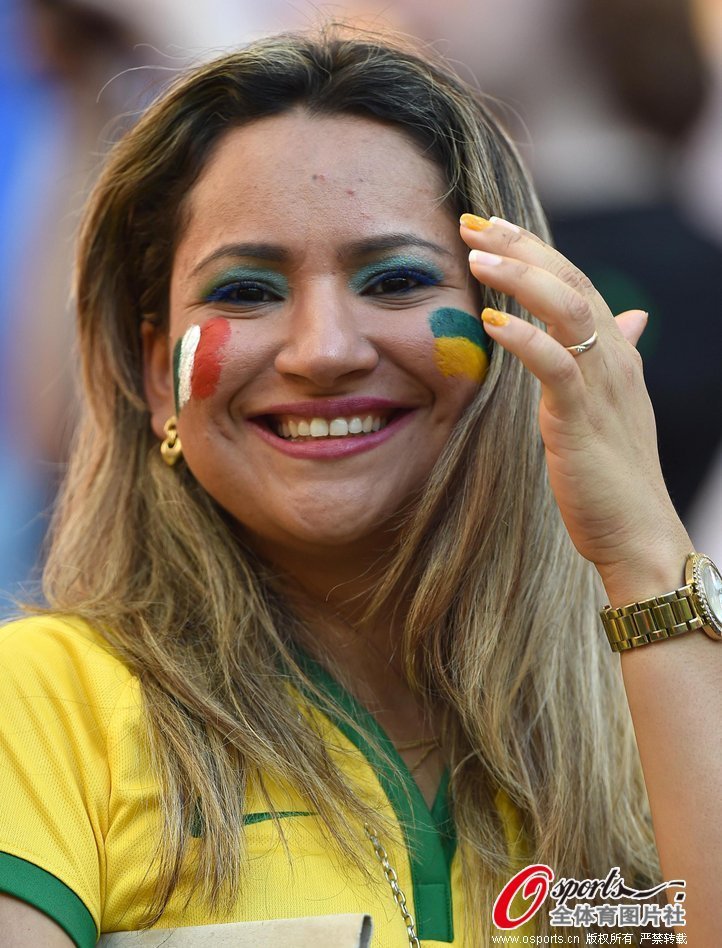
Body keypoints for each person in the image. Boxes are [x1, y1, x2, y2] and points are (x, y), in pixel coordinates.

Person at [0, 26, 719, 947]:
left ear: (512, 331)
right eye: (246, 292)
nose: (325, 351)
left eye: (397, 280)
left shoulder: (658, 710)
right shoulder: (44, 706)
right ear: (154, 376)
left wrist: (644, 554)